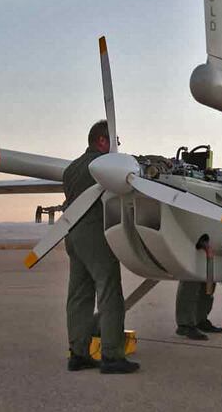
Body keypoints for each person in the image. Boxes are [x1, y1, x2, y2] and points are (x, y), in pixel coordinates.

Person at [64, 120, 139, 374]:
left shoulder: (71, 168)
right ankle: (112, 355)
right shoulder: (102, 166)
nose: (117, 149)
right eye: (115, 143)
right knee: (109, 293)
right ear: (102, 141)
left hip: (72, 234)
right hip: (95, 234)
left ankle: (78, 353)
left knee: (79, 296)